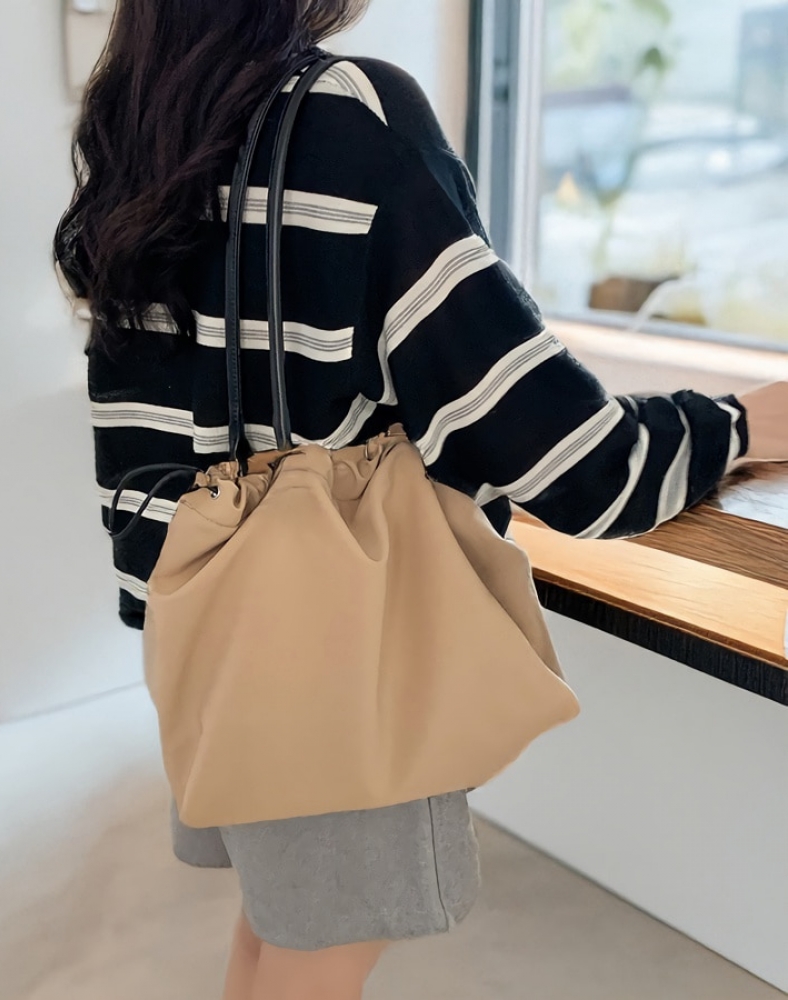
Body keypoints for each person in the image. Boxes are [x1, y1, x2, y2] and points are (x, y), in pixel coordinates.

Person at [53, 2, 788, 997]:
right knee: (317, 954)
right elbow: (567, 459)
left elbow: (140, 437)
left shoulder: (145, 115)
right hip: (330, 650)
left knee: (281, 932)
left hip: (212, 634)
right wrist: (740, 424)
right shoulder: (346, 114)